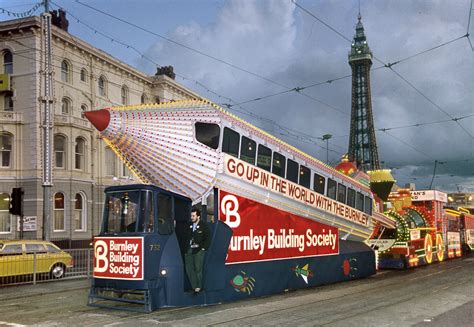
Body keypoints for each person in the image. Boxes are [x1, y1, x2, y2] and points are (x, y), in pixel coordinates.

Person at [184, 208, 211, 294]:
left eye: (193, 216)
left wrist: (204, 248)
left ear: (198, 216)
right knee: (189, 268)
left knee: (198, 269)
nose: (191, 217)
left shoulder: (203, 225)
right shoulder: (189, 225)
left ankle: (199, 287)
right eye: (191, 216)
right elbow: (184, 237)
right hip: (189, 250)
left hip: (198, 250)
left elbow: (208, 237)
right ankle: (194, 286)